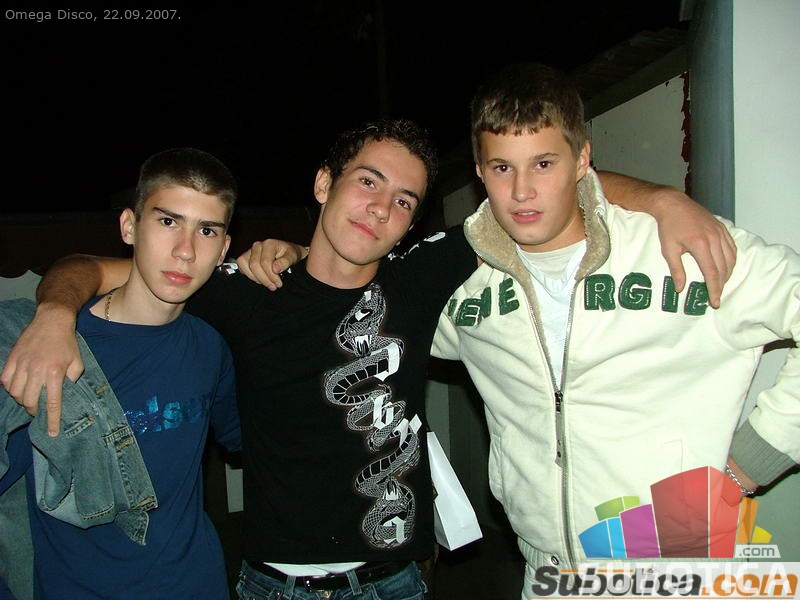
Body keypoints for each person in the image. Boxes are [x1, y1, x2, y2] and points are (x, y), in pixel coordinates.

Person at [2, 119, 736, 600]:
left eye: (405, 201)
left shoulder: (420, 278)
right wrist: (56, 311)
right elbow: (103, 269)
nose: (381, 208)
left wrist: (665, 200)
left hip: (396, 582)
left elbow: (543, 197)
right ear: (325, 184)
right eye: (367, 182)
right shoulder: (241, 291)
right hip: (272, 586)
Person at [427, 63, 800, 597]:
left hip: (675, 567)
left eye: (544, 163)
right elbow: (366, 321)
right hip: (548, 574)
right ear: (479, 171)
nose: (522, 191)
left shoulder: (676, 250)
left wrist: (745, 467)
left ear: (582, 159)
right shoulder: (463, 284)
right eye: (502, 167)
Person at [1, 147, 241, 599]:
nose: (186, 251)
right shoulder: (54, 348)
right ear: (129, 226)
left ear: (223, 248)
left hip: (197, 586)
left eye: (206, 230)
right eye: (168, 221)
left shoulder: (211, 347)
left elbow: (249, 438)